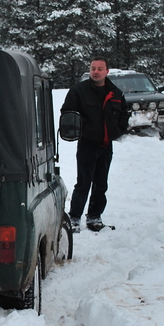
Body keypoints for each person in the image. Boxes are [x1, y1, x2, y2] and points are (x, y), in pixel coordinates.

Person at [60, 55, 127, 232]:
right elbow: (67, 113)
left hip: (105, 146)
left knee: (101, 184)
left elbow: (124, 116)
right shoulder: (78, 91)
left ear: (107, 71)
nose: (96, 72)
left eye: (99, 69)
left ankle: (94, 216)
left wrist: (117, 131)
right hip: (87, 145)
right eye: (93, 69)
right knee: (83, 182)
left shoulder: (116, 94)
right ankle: (74, 217)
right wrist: (83, 129)